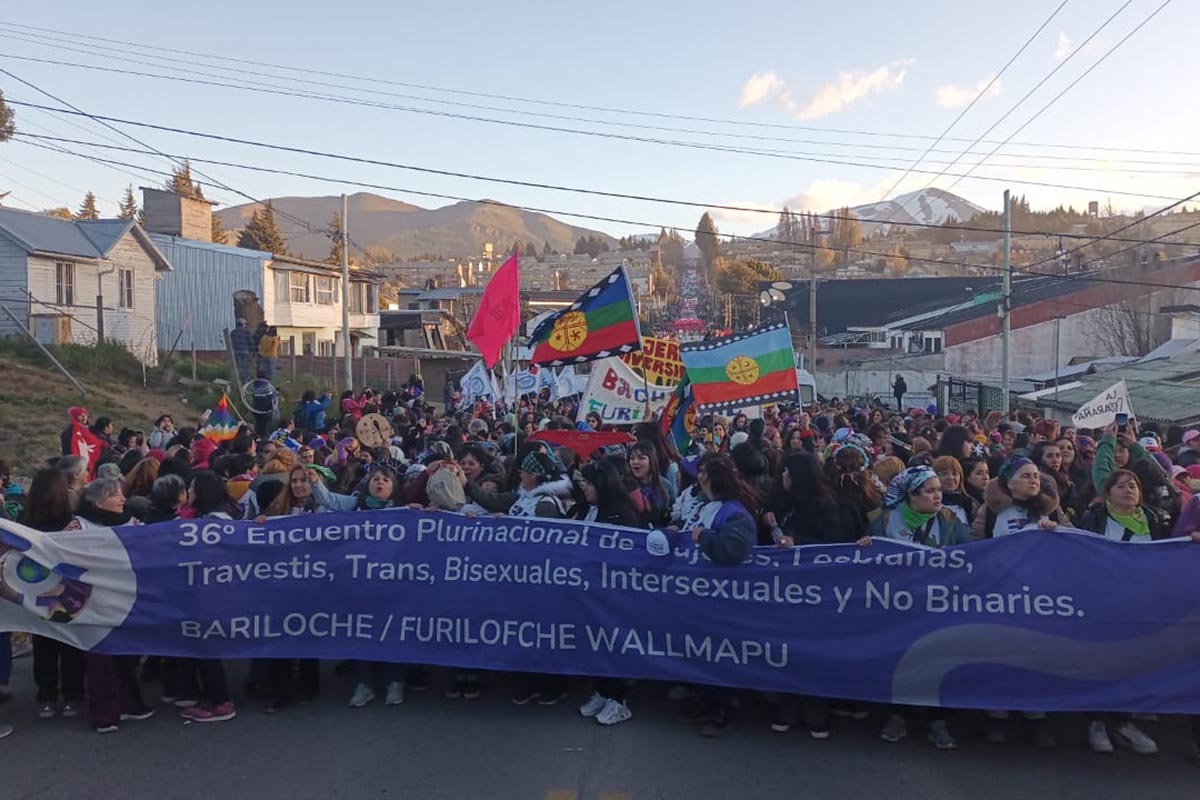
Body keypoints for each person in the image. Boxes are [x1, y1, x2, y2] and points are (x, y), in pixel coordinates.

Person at [859, 466, 970, 749]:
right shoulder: (883, 522)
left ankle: (937, 720)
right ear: (911, 495)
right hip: (897, 606)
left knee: (936, 661)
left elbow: (970, 556)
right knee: (901, 661)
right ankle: (898, 715)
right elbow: (866, 559)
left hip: (938, 605)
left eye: (939, 491)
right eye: (930, 491)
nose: (938, 496)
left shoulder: (950, 521)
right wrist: (864, 546)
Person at [1074, 468, 1171, 755]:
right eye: (1121, 486)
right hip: (1102, 603)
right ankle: (1096, 722)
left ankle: (1123, 721)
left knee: (1133, 664)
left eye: (1133, 486)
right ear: (1108, 493)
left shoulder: (1157, 520)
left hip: (1141, 606)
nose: (1129, 490)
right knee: (1100, 663)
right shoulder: (1093, 519)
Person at [65, 477, 155, 733]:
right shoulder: (77, 526)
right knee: (100, 657)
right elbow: (61, 555)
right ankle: (105, 713)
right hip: (92, 600)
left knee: (127, 653)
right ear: (98, 501)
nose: (123, 499)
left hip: (125, 597)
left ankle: (130, 703)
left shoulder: (133, 522)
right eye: (116, 494)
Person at [678, 454, 759, 737]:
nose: (696, 477)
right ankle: (702, 699)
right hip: (699, 597)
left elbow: (736, 549)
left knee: (718, 655)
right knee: (700, 651)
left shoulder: (733, 512)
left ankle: (721, 710)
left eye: (702, 472)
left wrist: (705, 538)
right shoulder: (706, 507)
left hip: (721, 600)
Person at [576, 461, 641, 726]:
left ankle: (619, 699)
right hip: (588, 590)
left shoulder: (622, 514)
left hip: (613, 592)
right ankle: (602, 691)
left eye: (589, 484)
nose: (585, 488)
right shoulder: (585, 510)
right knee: (594, 644)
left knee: (612, 644)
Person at [21, 468, 86, 720]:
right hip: (67, 589)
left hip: (35, 589)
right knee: (70, 643)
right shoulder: (73, 522)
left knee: (43, 643)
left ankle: (46, 698)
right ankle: (73, 696)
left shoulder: (25, 524)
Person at [971, 457, 1061, 540]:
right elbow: (976, 542)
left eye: (1036, 476)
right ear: (1010, 483)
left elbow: (1069, 537)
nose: (1033, 481)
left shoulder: (1050, 506)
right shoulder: (991, 508)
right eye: (1026, 476)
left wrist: (1055, 530)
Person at [249, 372, 279, 438]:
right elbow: (270, 396)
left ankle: (258, 437)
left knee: (259, 424)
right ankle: (263, 438)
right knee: (265, 425)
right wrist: (276, 393)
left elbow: (253, 395)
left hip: (256, 409)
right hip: (266, 409)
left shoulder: (254, 385)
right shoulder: (267, 385)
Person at [230, 318, 254, 382]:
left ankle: (236, 380)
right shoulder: (247, 332)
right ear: (244, 324)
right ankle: (244, 381)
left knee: (236, 367)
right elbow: (250, 342)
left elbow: (232, 342)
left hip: (235, 351)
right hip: (245, 351)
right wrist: (252, 351)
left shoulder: (233, 332)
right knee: (245, 368)